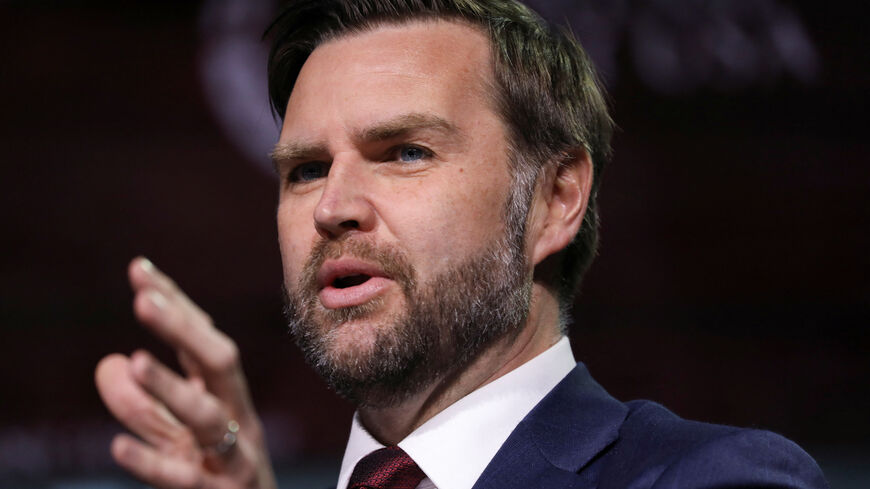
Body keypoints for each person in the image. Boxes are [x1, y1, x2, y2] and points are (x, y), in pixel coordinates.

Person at [95, 1, 828, 488]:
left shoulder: (712, 476)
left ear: (554, 200)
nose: (333, 207)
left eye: (405, 152)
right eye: (307, 169)